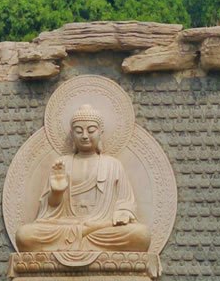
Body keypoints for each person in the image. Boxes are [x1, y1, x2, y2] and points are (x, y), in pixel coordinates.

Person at [15, 104, 151, 253]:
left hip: (101, 229)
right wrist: (57, 192)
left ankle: (80, 241)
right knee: (24, 235)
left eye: (91, 130)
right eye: (79, 131)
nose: (85, 136)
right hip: (65, 226)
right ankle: (82, 241)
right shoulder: (62, 164)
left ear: (101, 133)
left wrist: (123, 213)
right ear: (72, 135)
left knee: (141, 235)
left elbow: (126, 202)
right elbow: (48, 210)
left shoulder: (113, 165)